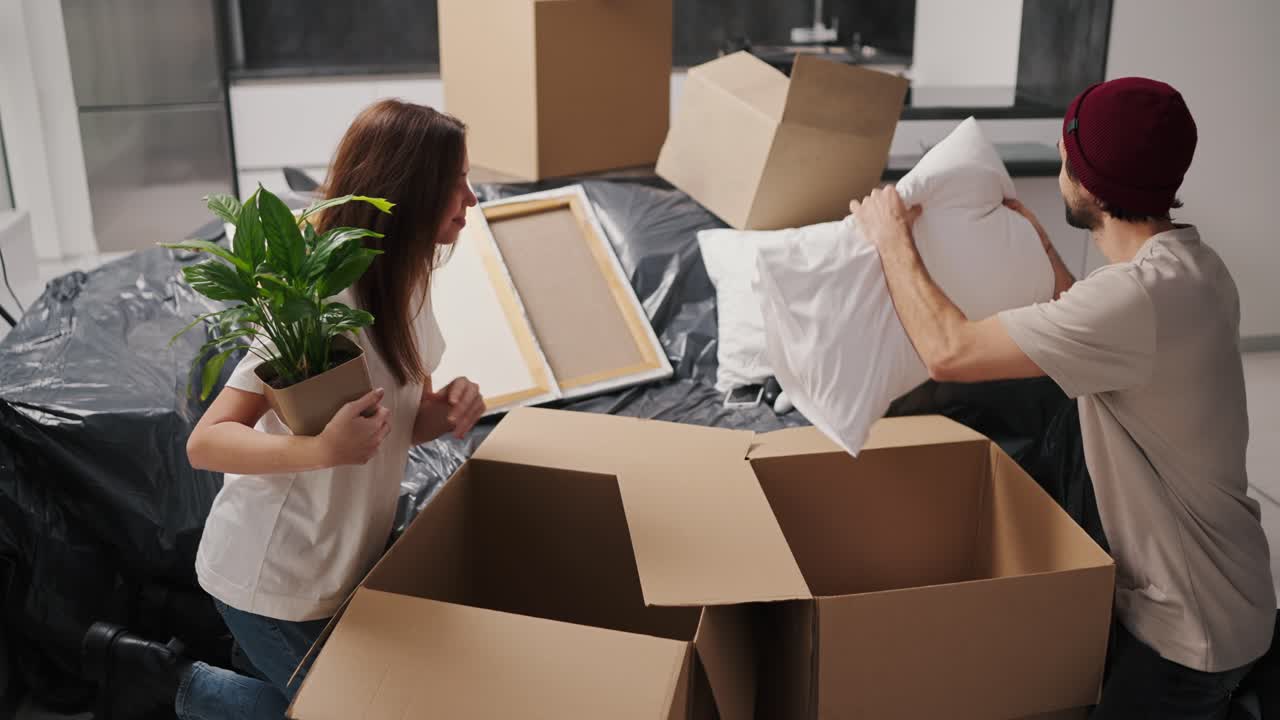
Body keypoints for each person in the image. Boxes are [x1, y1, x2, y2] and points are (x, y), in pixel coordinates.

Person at [850, 77, 1275, 719]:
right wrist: (1043, 250)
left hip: (1191, 637)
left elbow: (949, 350)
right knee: (1042, 400)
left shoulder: (1132, 299)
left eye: (1067, 160)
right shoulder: (1191, 268)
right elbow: (1097, 327)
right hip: (1232, 588)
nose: (1059, 165)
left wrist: (890, 240)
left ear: (1093, 189)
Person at [83, 99, 484, 719]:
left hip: (341, 565)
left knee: (309, 702)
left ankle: (155, 670)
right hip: (275, 580)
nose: (473, 197)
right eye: (455, 181)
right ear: (408, 190)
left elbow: (394, 423)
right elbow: (208, 441)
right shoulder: (318, 304)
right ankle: (171, 684)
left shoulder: (406, 283)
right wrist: (321, 450)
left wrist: (447, 408)